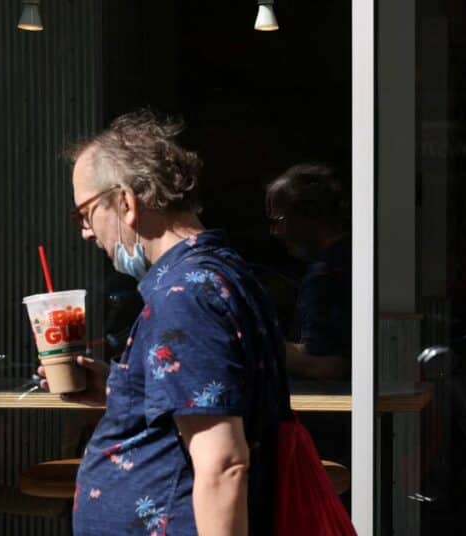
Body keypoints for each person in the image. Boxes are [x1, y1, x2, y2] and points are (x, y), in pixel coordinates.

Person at [41, 110, 289, 535]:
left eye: (84, 213)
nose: (85, 232)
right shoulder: (217, 273)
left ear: (125, 202)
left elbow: (224, 464)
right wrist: (125, 391)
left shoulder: (184, 296)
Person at [265, 163, 351, 381]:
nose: (275, 232)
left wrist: (257, 343)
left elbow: (329, 365)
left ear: (309, 216)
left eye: (279, 221)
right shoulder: (353, 259)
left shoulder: (326, 276)